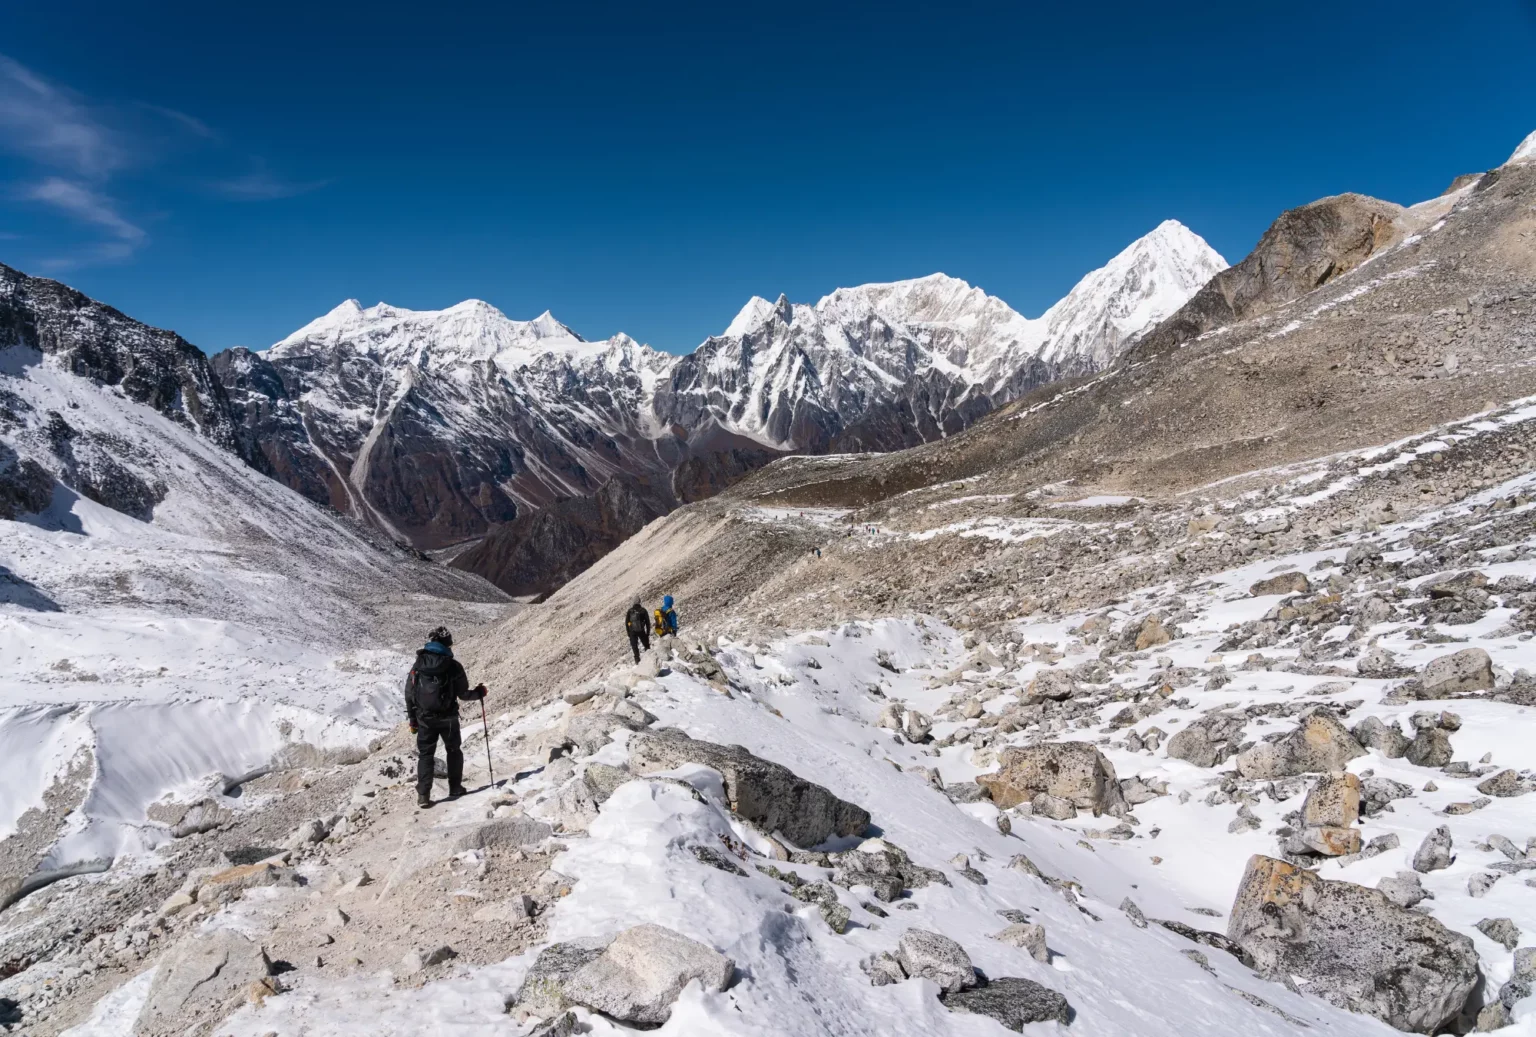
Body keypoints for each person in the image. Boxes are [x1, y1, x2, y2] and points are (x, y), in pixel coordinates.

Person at [403, 626, 486, 809]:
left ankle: (423, 796)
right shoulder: (453, 666)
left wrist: (412, 720)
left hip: (425, 718)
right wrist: (479, 693)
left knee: (426, 755)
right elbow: (463, 694)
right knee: (454, 750)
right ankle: (455, 788)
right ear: (448, 644)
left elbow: (409, 693)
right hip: (448, 718)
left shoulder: (418, 665)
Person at [624, 596, 651, 663]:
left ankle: (637, 659)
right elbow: (648, 622)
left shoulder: (630, 611)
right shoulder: (643, 610)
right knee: (646, 645)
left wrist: (628, 633)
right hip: (641, 630)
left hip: (632, 631)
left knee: (634, 646)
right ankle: (650, 658)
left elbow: (626, 622)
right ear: (639, 601)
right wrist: (647, 632)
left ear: (633, 602)